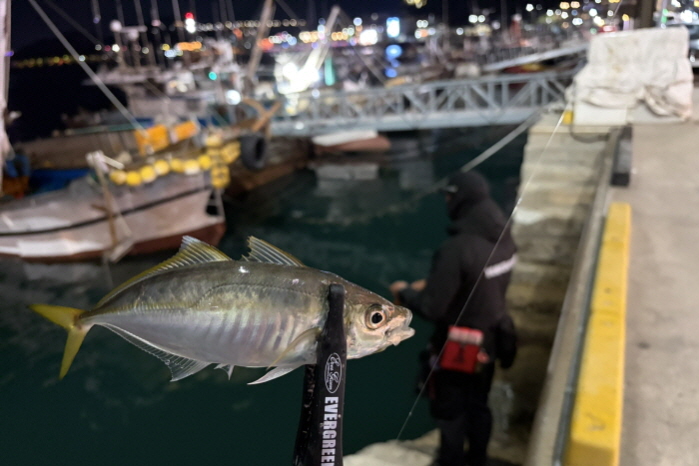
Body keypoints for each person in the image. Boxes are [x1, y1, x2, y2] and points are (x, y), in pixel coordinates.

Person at [390, 170, 518, 466]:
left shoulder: (456, 249)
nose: (447, 202)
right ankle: (478, 459)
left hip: (460, 349)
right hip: (493, 339)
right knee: (479, 405)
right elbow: (480, 279)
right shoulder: (503, 237)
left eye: (449, 196)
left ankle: (450, 461)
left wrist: (404, 293)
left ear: (461, 199)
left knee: (450, 411)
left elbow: (432, 308)